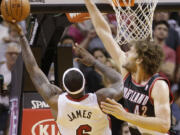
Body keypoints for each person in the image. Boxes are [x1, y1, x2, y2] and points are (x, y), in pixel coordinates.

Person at [11, 23, 124, 135]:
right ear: (85, 83)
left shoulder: (56, 102)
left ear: (64, 87)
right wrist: (94, 62)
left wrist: (22, 36)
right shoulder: (101, 100)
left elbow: (33, 69)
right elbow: (120, 81)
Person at [84, 0, 173, 134]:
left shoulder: (158, 85)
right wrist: (89, 3)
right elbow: (104, 33)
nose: (125, 53)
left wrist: (125, 116)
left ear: (139, 59)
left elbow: (164, 124)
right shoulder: (127, 71)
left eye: (130, 52)